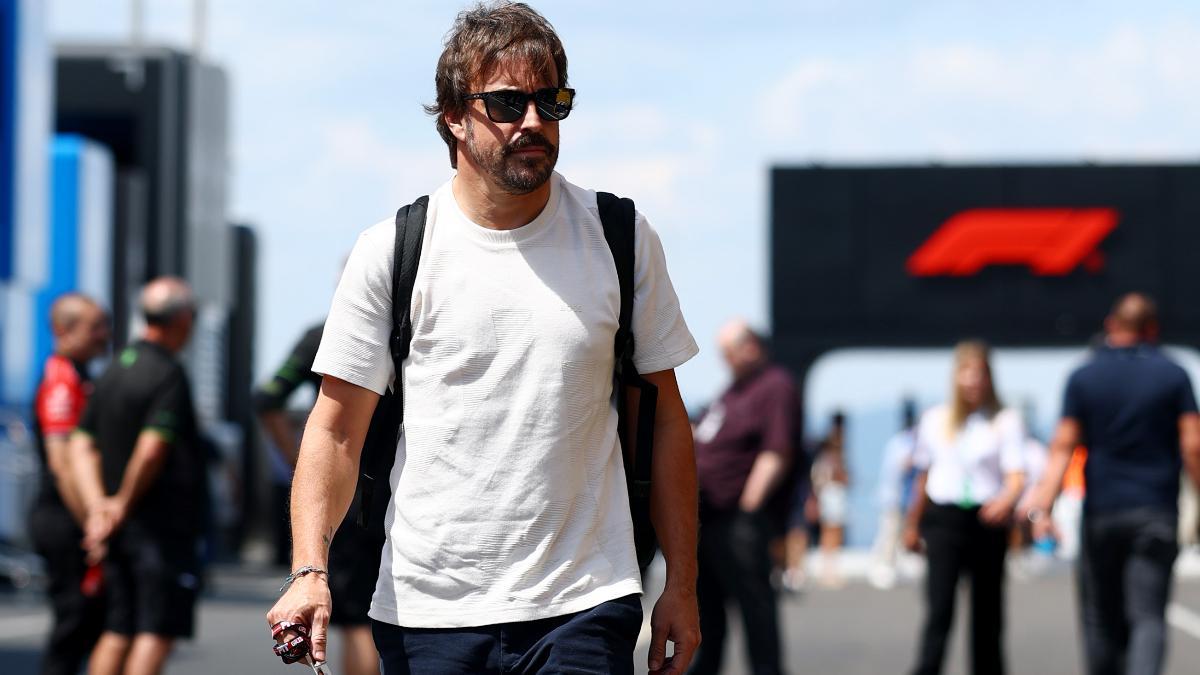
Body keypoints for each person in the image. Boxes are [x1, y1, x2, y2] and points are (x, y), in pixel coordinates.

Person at [266, 3, 701, 673]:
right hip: (429, 612)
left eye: (551, 101)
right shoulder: (391, 251)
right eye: (507, 102)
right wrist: (308, 569)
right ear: (454, 116)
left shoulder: (620, 236)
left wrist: (683, 584)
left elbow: (665, 418)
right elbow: (335, 433)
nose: (533, 121)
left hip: (586, 599)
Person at [1021, 293, 1200, 675]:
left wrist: (1043, 507)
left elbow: (1063, 446)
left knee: (1101, 617)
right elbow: (1193, 446)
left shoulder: (1085, 375)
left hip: (1103, 511)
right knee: (1148, 615)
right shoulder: (1173, 373)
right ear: (1153, 330)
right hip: (1155, 510)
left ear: (1110, 325)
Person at [70, 277, 204, 675]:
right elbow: (152, 448)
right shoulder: (167, 373)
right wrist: (121, 505)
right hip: (159, 528)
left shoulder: (114, 368)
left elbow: (81, 444)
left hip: (120, 529)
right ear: (181, 318)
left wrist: (100, 508)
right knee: (156, 631)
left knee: (118, 628)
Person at [253, 322, 382, 675]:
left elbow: (267, 396)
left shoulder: (331, 332)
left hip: (347, 495)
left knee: (359, 621)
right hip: (404, 490)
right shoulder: (412, 318)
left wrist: (298, 462)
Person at [903, 341, 1025, 675]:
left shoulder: (1004, 420)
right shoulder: (935, 419)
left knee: (988, 614)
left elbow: (1016, 476)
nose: (973, 381)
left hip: (987, 519)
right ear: (956, 377)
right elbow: (923, 476)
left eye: (979, 374)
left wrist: (1005, 501)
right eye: (966, 373)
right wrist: (911, 523)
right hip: (944, 519)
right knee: (939, 608)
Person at [690, 319, 796, 675]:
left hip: (739, 518)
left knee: (755, 609)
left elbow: (776, 451)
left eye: (730, 352)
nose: (726, 360)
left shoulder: (774, 386)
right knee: (708, 610)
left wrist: (749, 509)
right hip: (709, 518)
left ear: (751, 346)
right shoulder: (732, 391)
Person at [27, 293, 110, 675]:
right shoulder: (61, 380)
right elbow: (63, 465)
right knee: (73, 623)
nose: (104, 335)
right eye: (95, 327)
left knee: (90, 622)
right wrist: (93, 525)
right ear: (63, 330)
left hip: (73, 517)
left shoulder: (81, 375)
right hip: (63, 517)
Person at [868, 399, 918, 590]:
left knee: (897, 533)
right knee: (888, 533)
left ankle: (892, 566)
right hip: (893, 496)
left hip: (903, 497)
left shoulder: (899, 442)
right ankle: (882, 566)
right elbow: (901, 467)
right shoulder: (901, 443)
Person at [811, 411, 849, 588]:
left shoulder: (834, 460)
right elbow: (821, 480)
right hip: (830, 497)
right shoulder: (826, 462)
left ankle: (831, 570)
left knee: (835, 533)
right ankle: (827, 571)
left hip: (835, 496)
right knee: (830, 533)